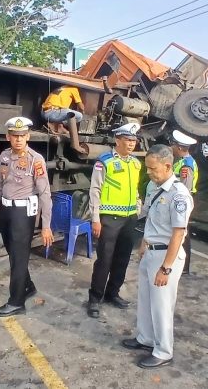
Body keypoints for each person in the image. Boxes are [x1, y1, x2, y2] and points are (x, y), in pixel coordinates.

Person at [121, 144, 192, 369]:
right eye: (147, 168)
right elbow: (150, 218)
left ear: (167, 165)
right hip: (150, 251)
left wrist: (166, 267)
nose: (149, 172)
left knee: (162, 306)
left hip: (165, 257)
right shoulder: (154, 185)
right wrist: (144, 243)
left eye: (153, 168)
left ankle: (163, 351)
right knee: (146, 300)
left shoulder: (179, 194)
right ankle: (145, 338)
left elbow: (178, 233)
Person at [0, 117, 54, 317]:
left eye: (22, 136)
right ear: (8, 137)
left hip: (23, 215)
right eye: (15, 135)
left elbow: (45, 194)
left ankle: (16, 302)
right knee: (14, 254)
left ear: (28, 136)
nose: (19, 139)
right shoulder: (5, 156)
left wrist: (46, 225)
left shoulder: (35, 160)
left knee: (19, 257)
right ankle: (28, 286)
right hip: (6, 212)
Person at [87, 123, 142, 318]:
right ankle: (95, 298)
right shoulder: (105, 161)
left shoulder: (135, 163)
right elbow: (95, 190)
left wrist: (138, 206)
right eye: (127, 140)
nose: (131, 144)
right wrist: (95, 218)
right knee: (104, 260)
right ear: (117, 140)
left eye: (134, 140)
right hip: (109, 218)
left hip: (129, 218)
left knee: (123, 258)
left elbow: (134, 188)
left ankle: (113, 293)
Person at [170, 130, 197, 274]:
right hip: (178, 199)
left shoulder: (187, 165)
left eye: (173, 145)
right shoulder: (180, 161)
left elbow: (185, 188)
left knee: (183, 234)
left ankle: (184, 267)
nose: (172, 147)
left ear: (180, 148)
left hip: (183, 202)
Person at [41, 85, 86, 153]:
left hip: (44, 113)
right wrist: (84, 111)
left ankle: (58, 126)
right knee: (79, 116)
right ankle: (54, 125)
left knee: (65, 110)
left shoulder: (61, 88)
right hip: (53, 112)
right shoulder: (74, 89)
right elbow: (81, 106)